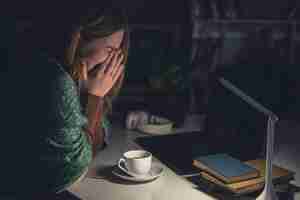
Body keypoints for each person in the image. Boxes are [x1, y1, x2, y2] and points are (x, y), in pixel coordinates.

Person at [1, 3, 129, 198]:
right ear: (83, 37)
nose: (111, 61)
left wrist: (87, 94)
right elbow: (74, 168)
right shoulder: (55, 79)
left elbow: (103, 130)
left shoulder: (67, 72)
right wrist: (95, 98)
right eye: (110, 50)